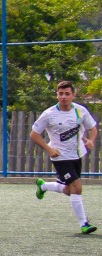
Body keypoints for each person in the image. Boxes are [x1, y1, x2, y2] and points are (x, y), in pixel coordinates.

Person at [31, 80, 98, 234]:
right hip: (60, 157)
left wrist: (91, 140)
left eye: (67, 94)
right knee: (77, 187)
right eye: (60, 93)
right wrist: (49, 149)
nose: (63, 97)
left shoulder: (81, 111)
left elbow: (93, 129)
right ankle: (84, 224)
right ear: (57, 95)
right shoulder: (49, 114)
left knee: (70, 190)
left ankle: (44, 186)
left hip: (77, 155)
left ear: (73, 95)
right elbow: (34, 135)